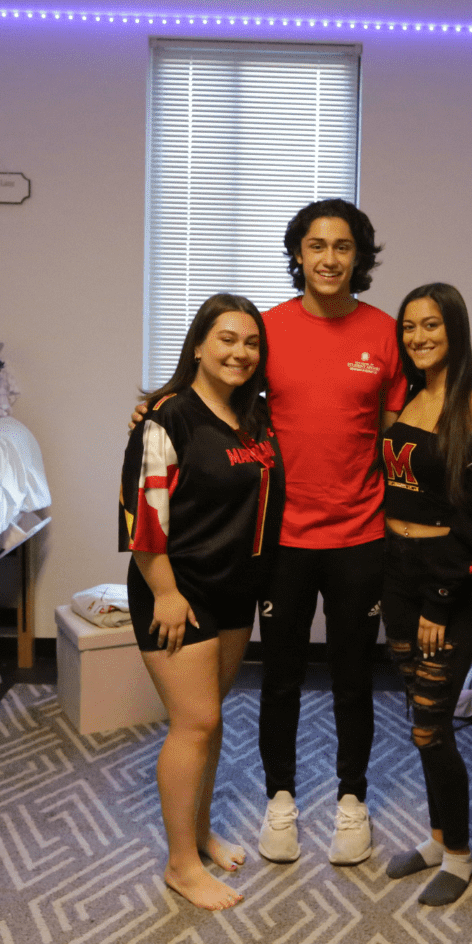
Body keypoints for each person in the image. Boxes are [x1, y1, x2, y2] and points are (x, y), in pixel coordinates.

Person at [253, 200, 407, 865]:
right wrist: (158, 404)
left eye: (343, 246)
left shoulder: (384, 333)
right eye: (315, 245)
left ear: (359, 257)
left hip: (359, 535)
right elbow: (218, 396)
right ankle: (280, 799)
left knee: (352, 675)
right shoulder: (265, 329)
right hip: (282, 539)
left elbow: (406, 433)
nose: (328, 258)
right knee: (279, 675)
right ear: (297, 254)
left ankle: (352, 800)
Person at [119, 293, 283, 910]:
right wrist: (163, 590)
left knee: (209, 720)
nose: (240, 352)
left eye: (251, 342)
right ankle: (180, 865)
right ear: (197, 345)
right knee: (197, 722)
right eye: (226, 339)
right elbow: (143, 519)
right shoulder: (167, 419)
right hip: (177, 592)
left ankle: (201, 832)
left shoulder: (257, 417)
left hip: (235, 588)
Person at [378, 282, 472, 905]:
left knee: (431, 725)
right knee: (420, 718)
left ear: (456, 331)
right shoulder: (412, 398)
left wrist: (442, 596)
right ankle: (439, 837)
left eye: (431, 326)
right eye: (410, 326)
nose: (418, 337)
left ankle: (462, 856)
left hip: (450, 584)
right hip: (399, 576)